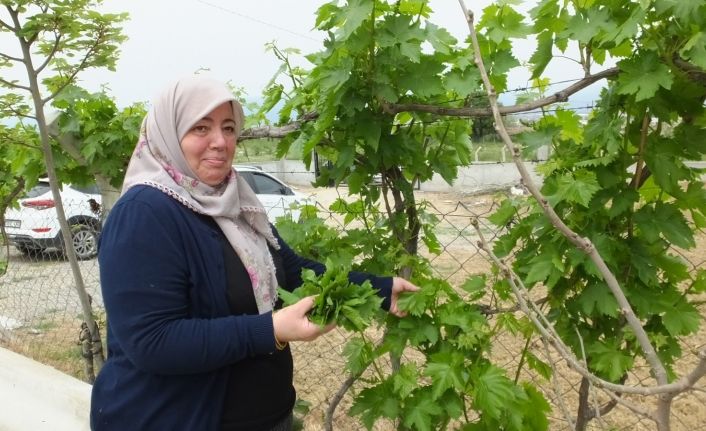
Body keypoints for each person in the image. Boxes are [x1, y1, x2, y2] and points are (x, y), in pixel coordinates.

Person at [90, 75, 419, 431]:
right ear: (169, 134)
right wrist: (271, 329)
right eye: (201, 128)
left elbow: (290, 271)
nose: (220, 142)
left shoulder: (233, 202)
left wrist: (378, 289)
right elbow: (152, 342)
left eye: (229, 128)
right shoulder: (144, 212)